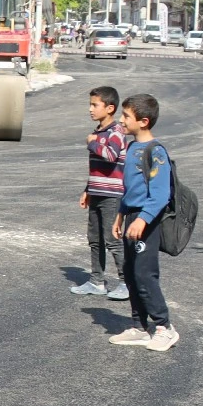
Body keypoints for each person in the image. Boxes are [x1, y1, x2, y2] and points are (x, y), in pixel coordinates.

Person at [112, 93, 179, 352]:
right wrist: (121, 215)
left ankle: (165, 327)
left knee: (144, 274)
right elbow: (130, 189)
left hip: (146, 220)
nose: (121, 119)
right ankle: (139, 328)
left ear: (144, 121)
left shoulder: (155, 152)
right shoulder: (132, 148)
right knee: (130, 272)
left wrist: (142, 220)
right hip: (131, 217)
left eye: (126, 116)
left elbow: (160, 194)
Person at [71, 85, 130, 301]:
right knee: (94, 239)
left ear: (110, 108)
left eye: (95, 105)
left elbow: (110, 155)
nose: (90, 109)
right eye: (90, 104)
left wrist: (92, 142)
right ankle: (97, 281)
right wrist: (88, 190)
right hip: (96, 193)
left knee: (112, 240)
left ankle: (126, 282)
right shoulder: (99, 132)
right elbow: (96, 168)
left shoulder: (116, 132)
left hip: (111, 195)